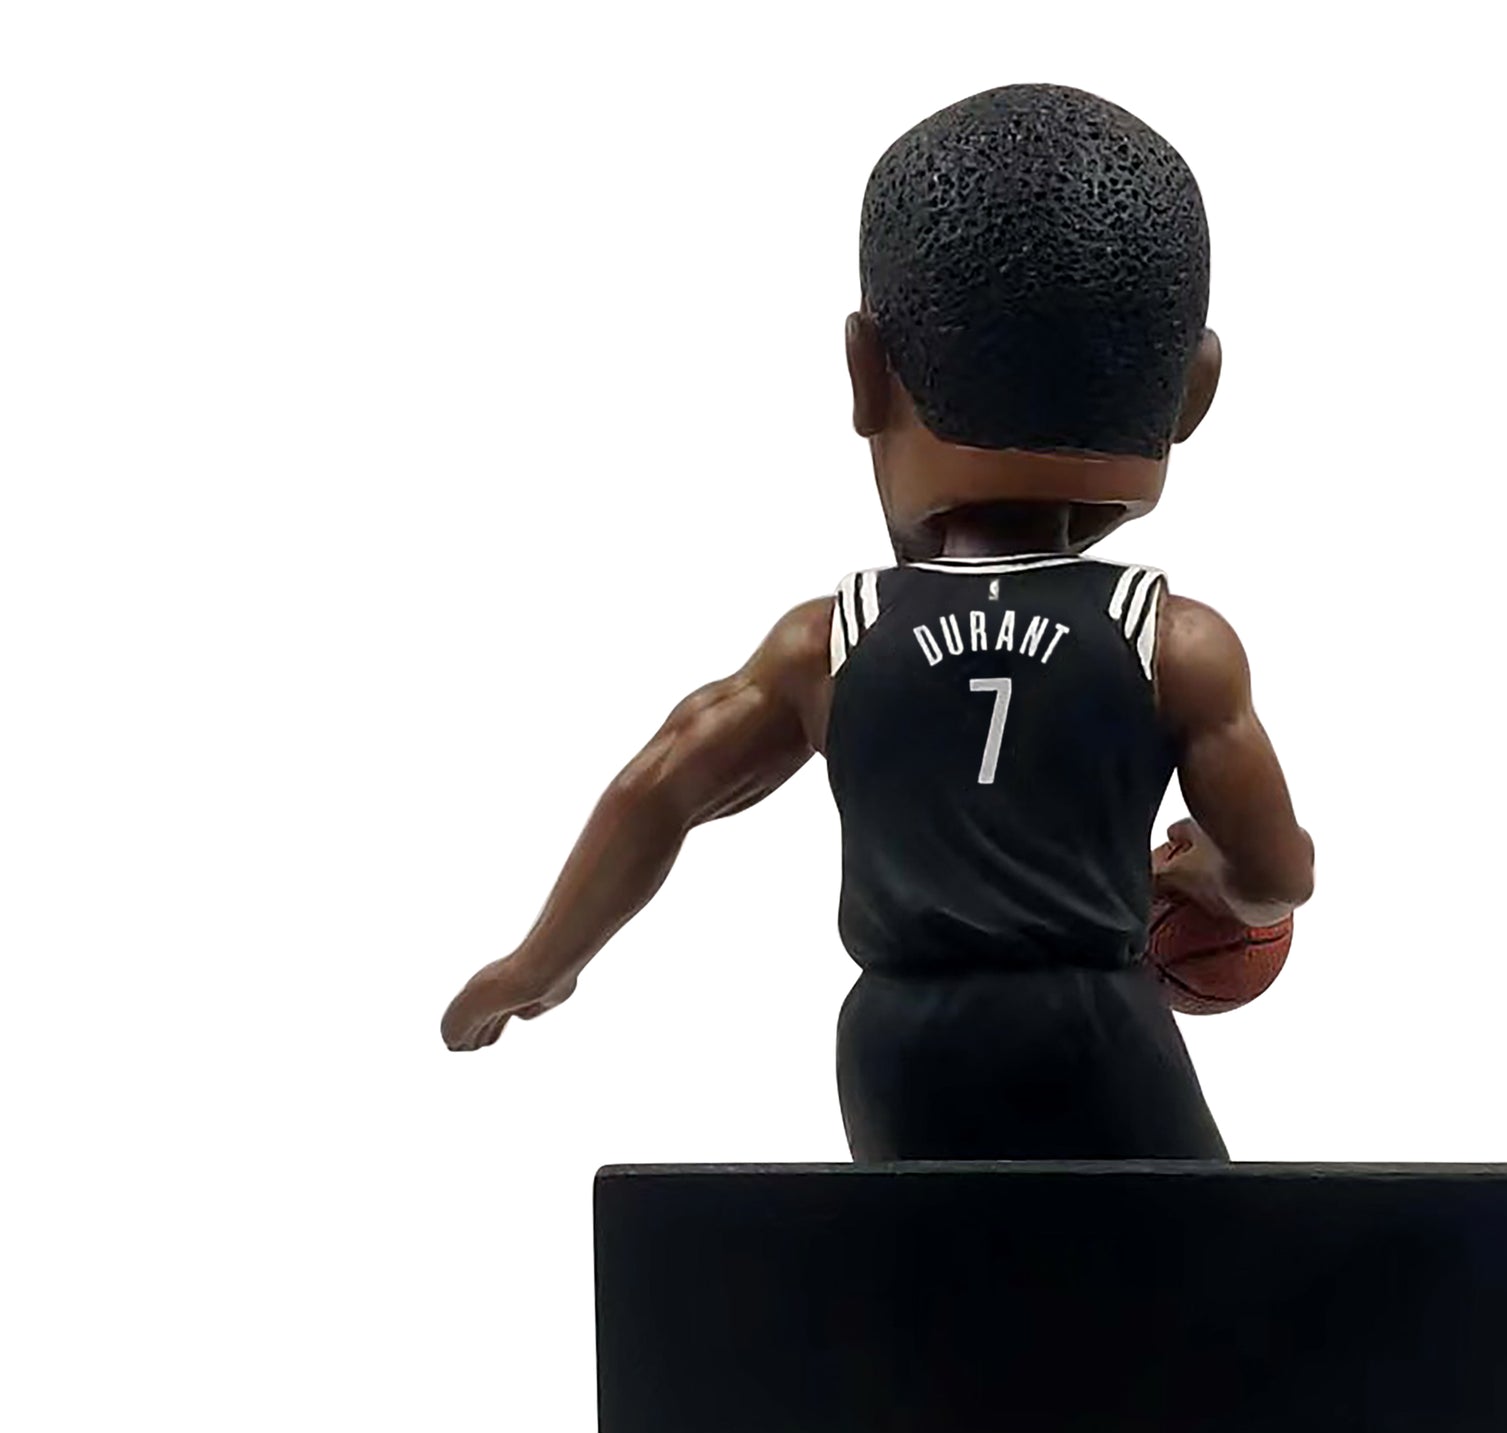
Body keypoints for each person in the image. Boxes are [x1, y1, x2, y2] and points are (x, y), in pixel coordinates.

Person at [441, 83, 1315, 1160]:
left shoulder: (829, 644)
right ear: (1191, 395)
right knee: (1188, 1255)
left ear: (864, 374)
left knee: (919, 1261)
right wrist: (1196, 878)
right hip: (1092, 1019)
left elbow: (661, 785)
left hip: (901, 1041)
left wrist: (540, 964)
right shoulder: (1172, 643)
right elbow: (1275, 876)